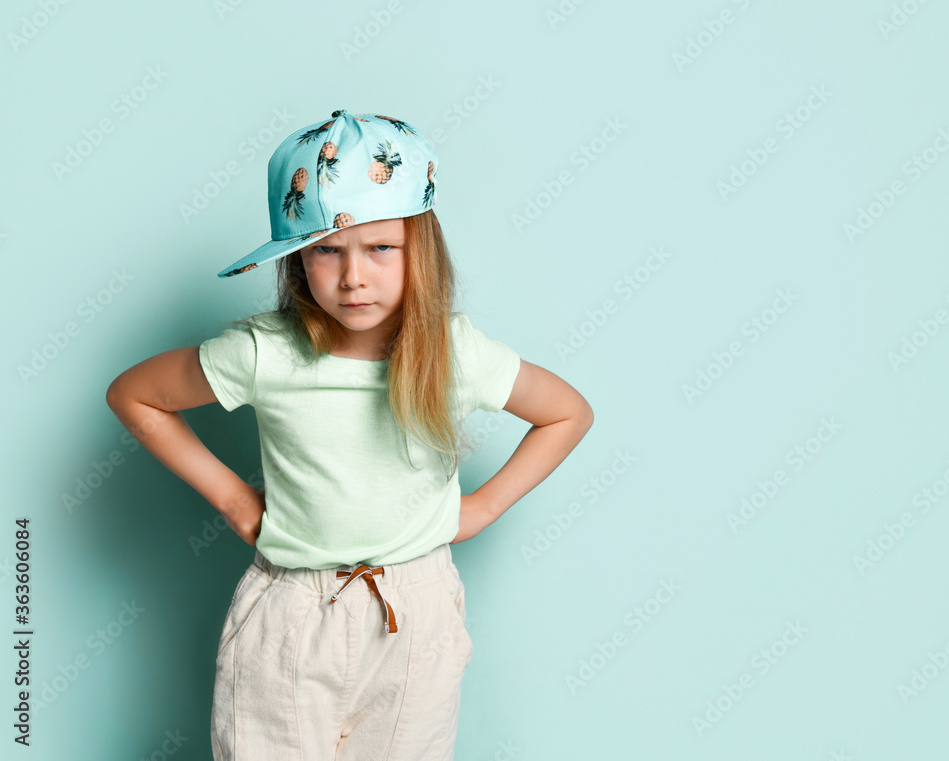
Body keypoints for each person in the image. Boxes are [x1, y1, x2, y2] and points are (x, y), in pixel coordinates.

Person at [105, 109, 593, 761]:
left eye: (380, 247)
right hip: (290, 612)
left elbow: (566, 412)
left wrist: (484, 507)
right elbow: (135, 395)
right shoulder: (265, 353)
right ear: (297, 259)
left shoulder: (452, 353)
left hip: (413, 611)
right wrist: (230, 496)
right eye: (326, 251)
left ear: (419, 246)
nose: (353, 275)